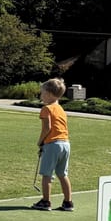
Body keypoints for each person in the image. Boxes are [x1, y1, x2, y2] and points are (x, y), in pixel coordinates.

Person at [31, 77, 73, 212]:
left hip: (53, 144)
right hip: (65, 143)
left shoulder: (46, 109)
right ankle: (68, 202)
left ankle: (46, 201)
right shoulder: (60, 108)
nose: (41, 95)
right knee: (62, 174)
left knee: (47, 174)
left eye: (42, 93)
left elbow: (47, 128)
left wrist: (40, 142)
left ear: (49, 93)